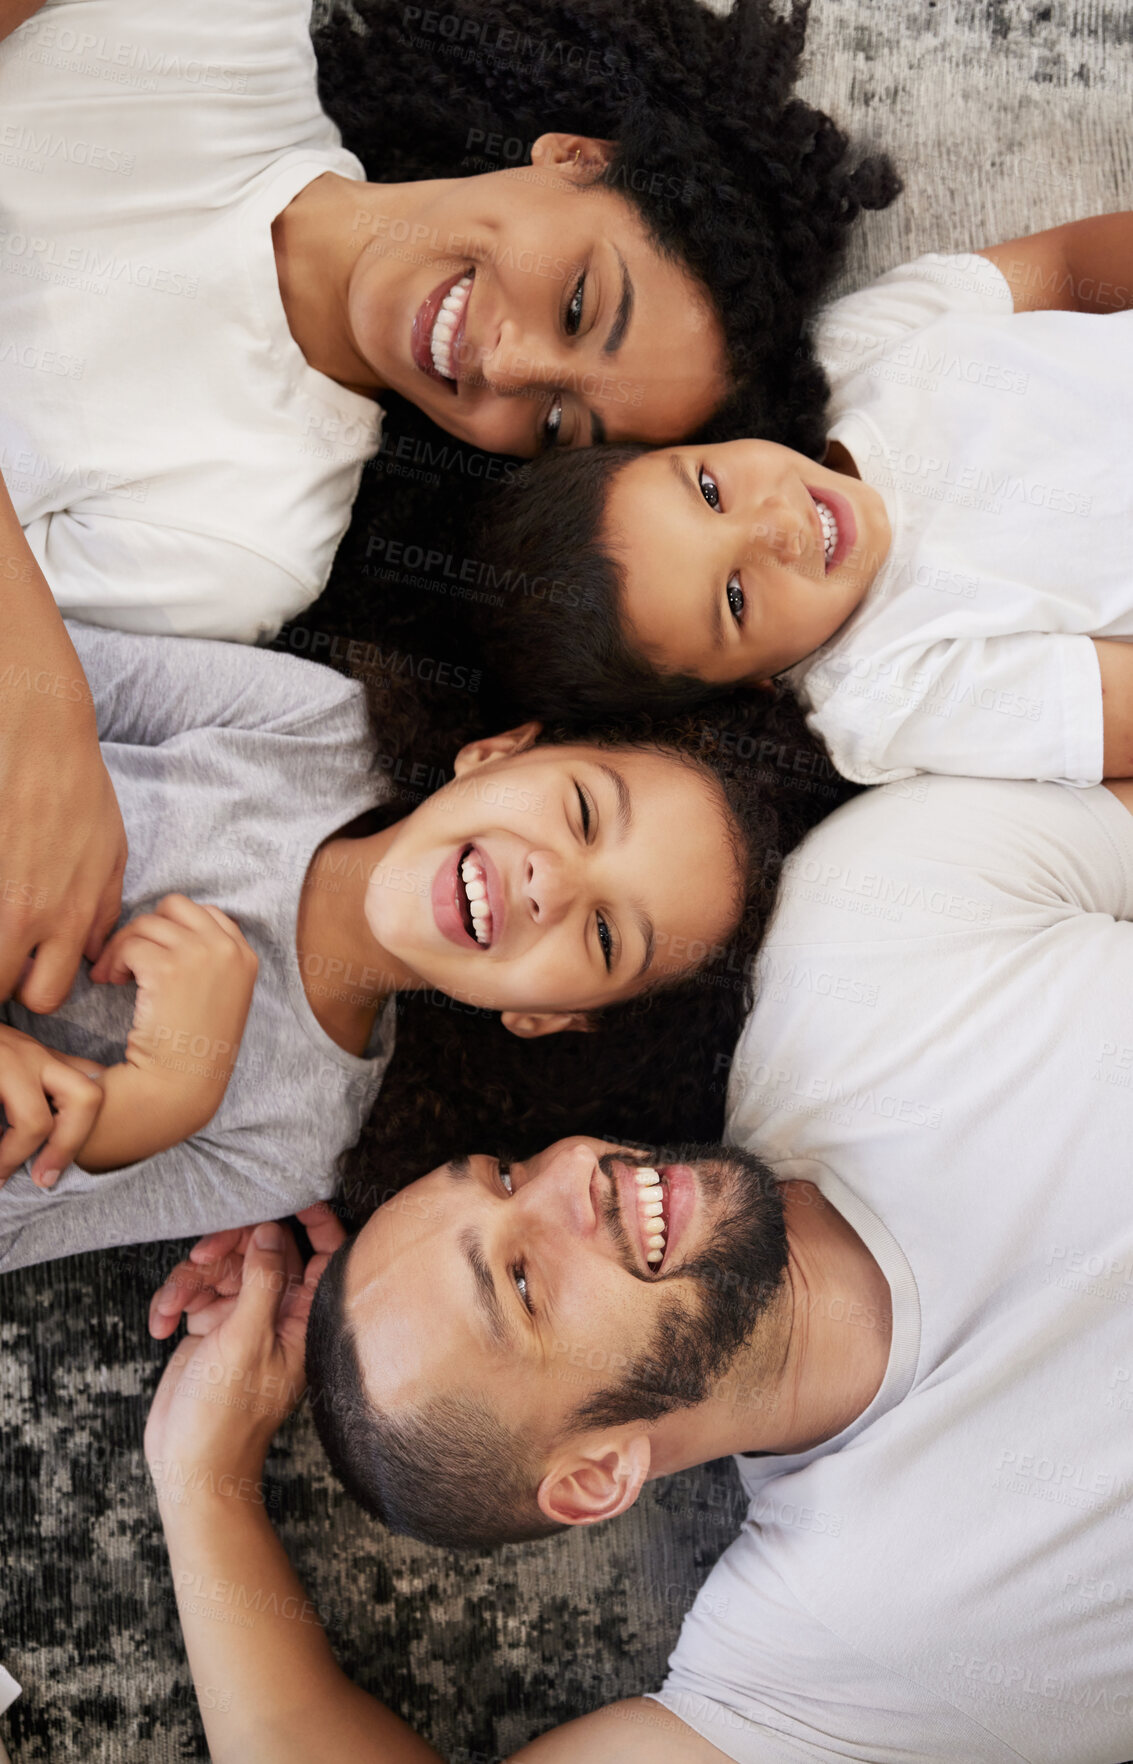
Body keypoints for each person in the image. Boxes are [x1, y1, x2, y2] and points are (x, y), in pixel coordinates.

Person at [0, 0, 896, 1069]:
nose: (507, 366)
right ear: (573, 158)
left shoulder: (247, 542)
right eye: (575, 306)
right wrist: (43, 726)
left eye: (557, 423)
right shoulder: (218, 31)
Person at [143, 942, 1133, 1764]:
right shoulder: (836, 1654)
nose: (575, 1171)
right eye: (523, 1285)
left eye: (504, 1174)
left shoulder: (866, 972)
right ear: (594, 1476)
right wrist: (198, 1483)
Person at [0, 602, 800, 1273]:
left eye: (602, 934)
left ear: (547, 1016)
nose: (548, 885)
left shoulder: (291, 1143)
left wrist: (154, 1105)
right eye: (583, 812)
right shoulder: (306, 725)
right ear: (497, 752)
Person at [471, 214, 1133, 787]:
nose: (774, 529)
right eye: (734, 597)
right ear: (747, 685)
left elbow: (1063, 267)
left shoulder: (846, 355)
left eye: (708, 491)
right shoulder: (882, 693)